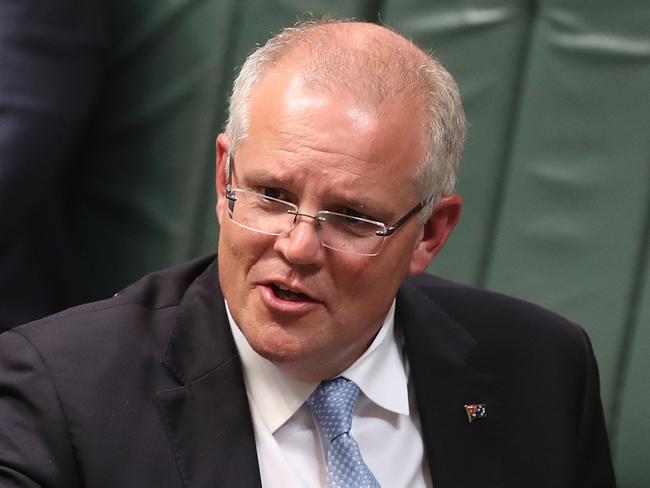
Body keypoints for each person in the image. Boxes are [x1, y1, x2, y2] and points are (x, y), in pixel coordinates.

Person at [0, 19, 615, 488]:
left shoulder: (541, 370)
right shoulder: (58, 396)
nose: (296, 247)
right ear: (224, 179)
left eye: (350, 218)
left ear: (428, 234)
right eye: (270, 196)